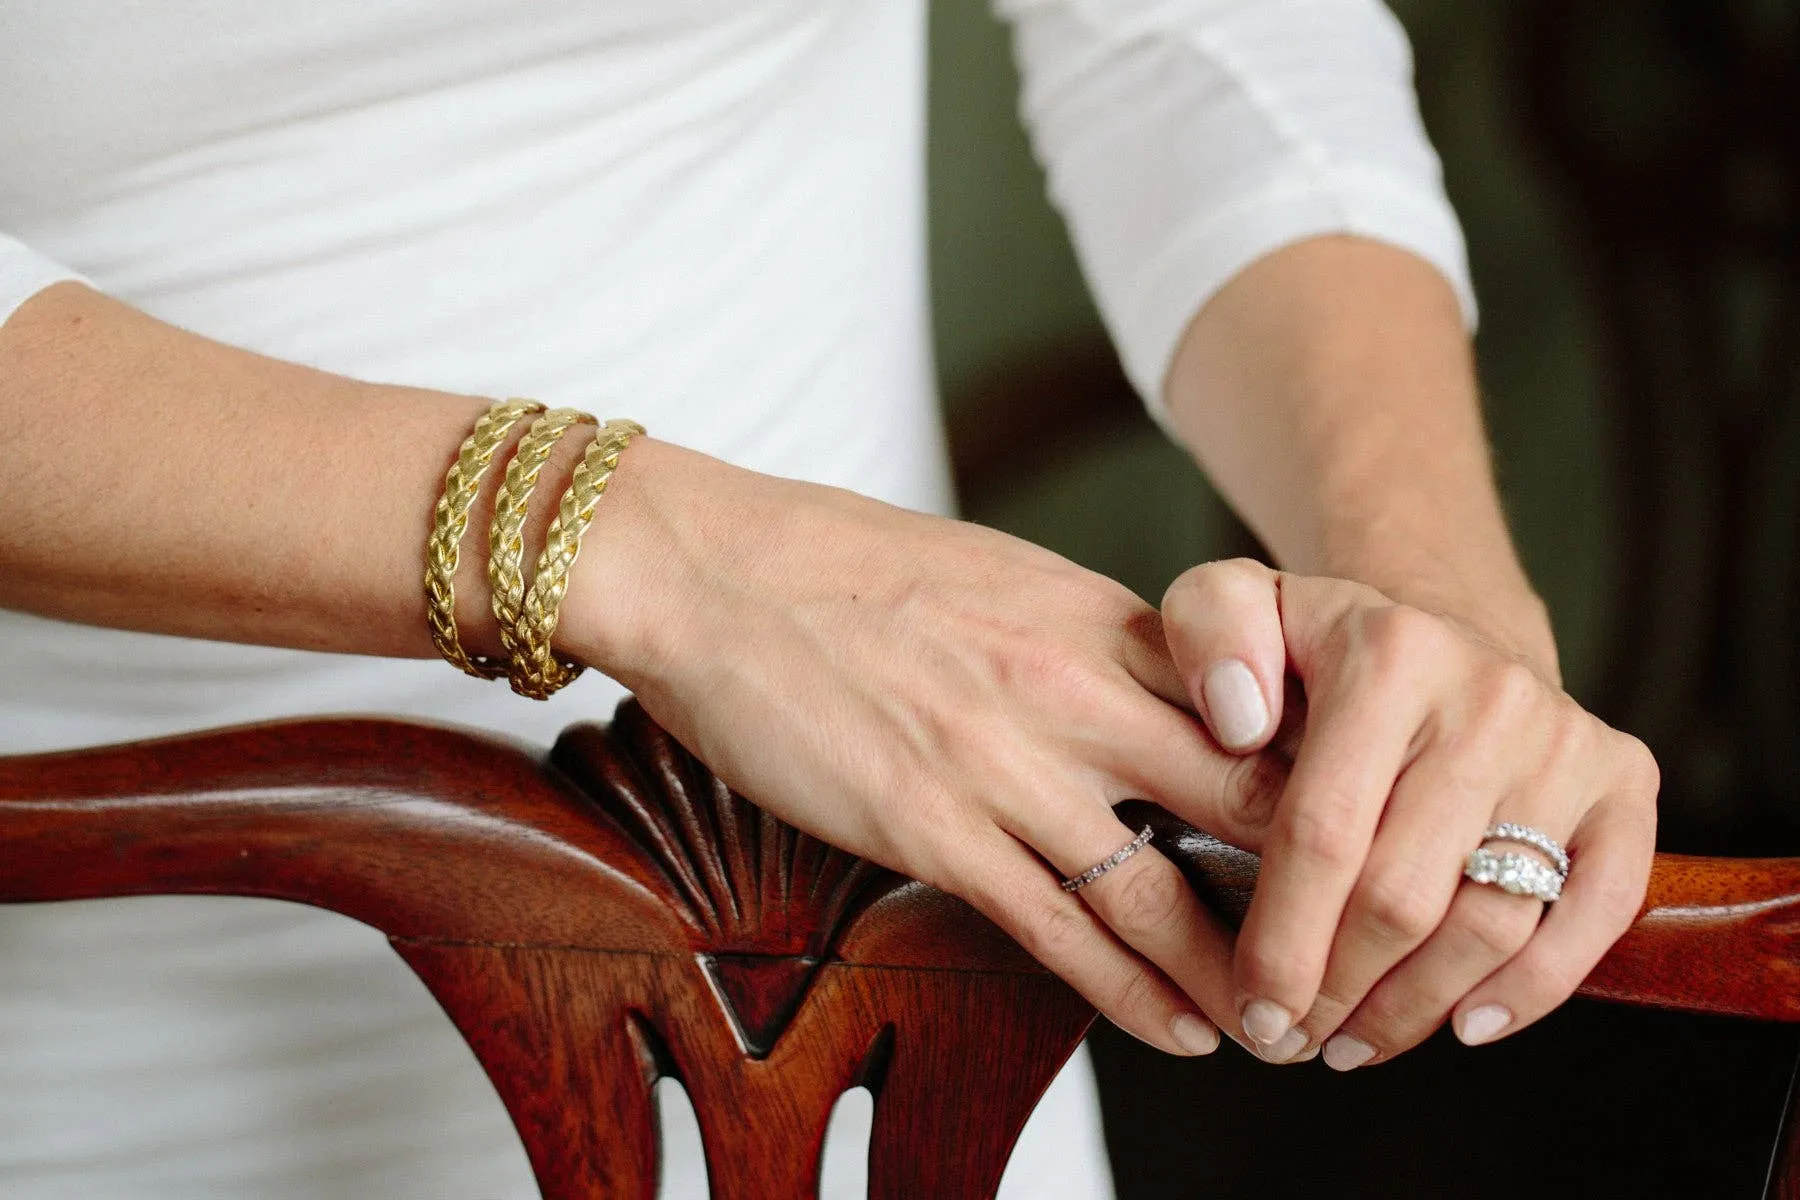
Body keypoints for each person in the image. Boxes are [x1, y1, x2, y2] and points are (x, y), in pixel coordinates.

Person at [0, 1, 1659, 1196]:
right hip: (74, 1027)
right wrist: (678, 565)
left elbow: (1198, 36)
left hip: (892, 996)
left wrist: (1427, 599)